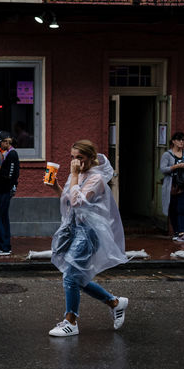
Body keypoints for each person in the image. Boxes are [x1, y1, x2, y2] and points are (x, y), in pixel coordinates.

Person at [45, 139, 128, 337]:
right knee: (77, 277)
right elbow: (67, 199)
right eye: (73, 158)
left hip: (90, 233)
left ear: (91, 158)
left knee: (71, 276)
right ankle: (115, 302)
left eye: (80, 158)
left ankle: (71, 321)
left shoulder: (96, 179)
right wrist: (55, 186)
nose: (75, 162)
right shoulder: (80, 174)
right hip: (76, 229)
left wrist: (73, 175)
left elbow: (77, 202)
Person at [160, 131, 184, 243]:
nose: (181, 142)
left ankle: (182, 233)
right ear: (173, 141)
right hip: (172, 186)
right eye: (179, 140)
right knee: (173, 209)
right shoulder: (167, 155)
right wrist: (176, 166)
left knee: (182, 208)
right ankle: (177, 233)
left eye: (183, 140)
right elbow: (162, 169)